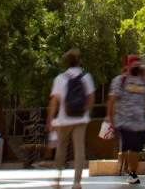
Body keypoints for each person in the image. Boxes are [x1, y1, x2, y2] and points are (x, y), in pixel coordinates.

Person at [49, 49, 95, 189]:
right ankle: (77, 182)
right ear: (78, 61)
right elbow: (91, 97)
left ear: (66, 63)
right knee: (79, 150)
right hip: (81, 119)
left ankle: (57, 179)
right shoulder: (86, 77)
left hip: (64, 119)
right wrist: (86, 112)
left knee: (61, 149)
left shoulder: (60, 79)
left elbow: (54, 101)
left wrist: (50, 119)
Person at [107, 55, 145, 184]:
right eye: (133, 65)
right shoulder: (120, 81)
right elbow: (112, 98)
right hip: (124, 121)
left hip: (139, 123)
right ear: (128, 66)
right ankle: (132, 173)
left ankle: (131, 171)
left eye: (138, 65)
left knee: (135, 148)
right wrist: (109, 115)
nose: (136, 67)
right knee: (132, 147)